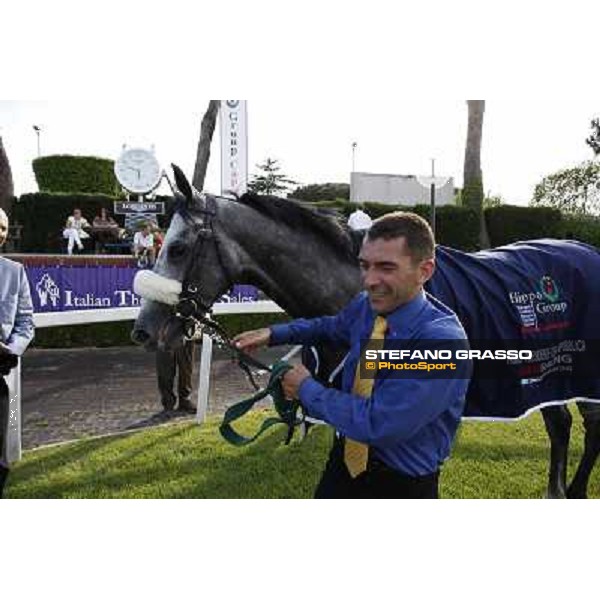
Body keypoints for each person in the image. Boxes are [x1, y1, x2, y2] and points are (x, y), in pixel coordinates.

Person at [233, 212, 471, 499]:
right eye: (364, 266)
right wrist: (275, 334)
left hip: (401, 487)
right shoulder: (367, 306)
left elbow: (377, 423)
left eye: (385, 267)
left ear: (425, 271)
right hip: (345, 459)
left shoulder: (441, 343)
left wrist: (306, 388)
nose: (369, 280)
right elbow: (330, 327)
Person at [0, 208, 35, 497]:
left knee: (1, 458)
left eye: (2, 228)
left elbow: (25, 322)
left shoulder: (15, 271)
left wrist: (12, 350)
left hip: (0, 375)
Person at [156, 342, 197, 413]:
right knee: (165, 366)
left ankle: (185, 400)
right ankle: (168, 402)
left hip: (186, 332)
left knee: (186, 365)